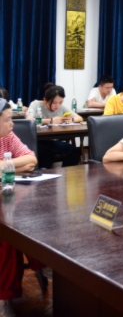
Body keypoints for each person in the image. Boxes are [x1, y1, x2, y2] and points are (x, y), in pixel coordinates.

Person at [0, 98, 41, 317]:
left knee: (32, 221)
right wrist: (16, 166)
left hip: (7, 198)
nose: (13, 124)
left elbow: (31, 159)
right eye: (8, 120)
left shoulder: (8, 137)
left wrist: (5, 166)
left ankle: (47, 265)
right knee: (8, 237)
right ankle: (3, 298)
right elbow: (24, 163)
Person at [25, 84, 82, 168]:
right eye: (54, 103)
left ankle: (66, 173)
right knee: (46, 153)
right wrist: (50, 120)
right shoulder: (36, 104)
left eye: (60, 102)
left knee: (73, 151)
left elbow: (79, 118)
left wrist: (72, 120)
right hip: (38, 140)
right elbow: (29, 120)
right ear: (45, 100)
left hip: (52, 141)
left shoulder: (61, 107)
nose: (57, 106)